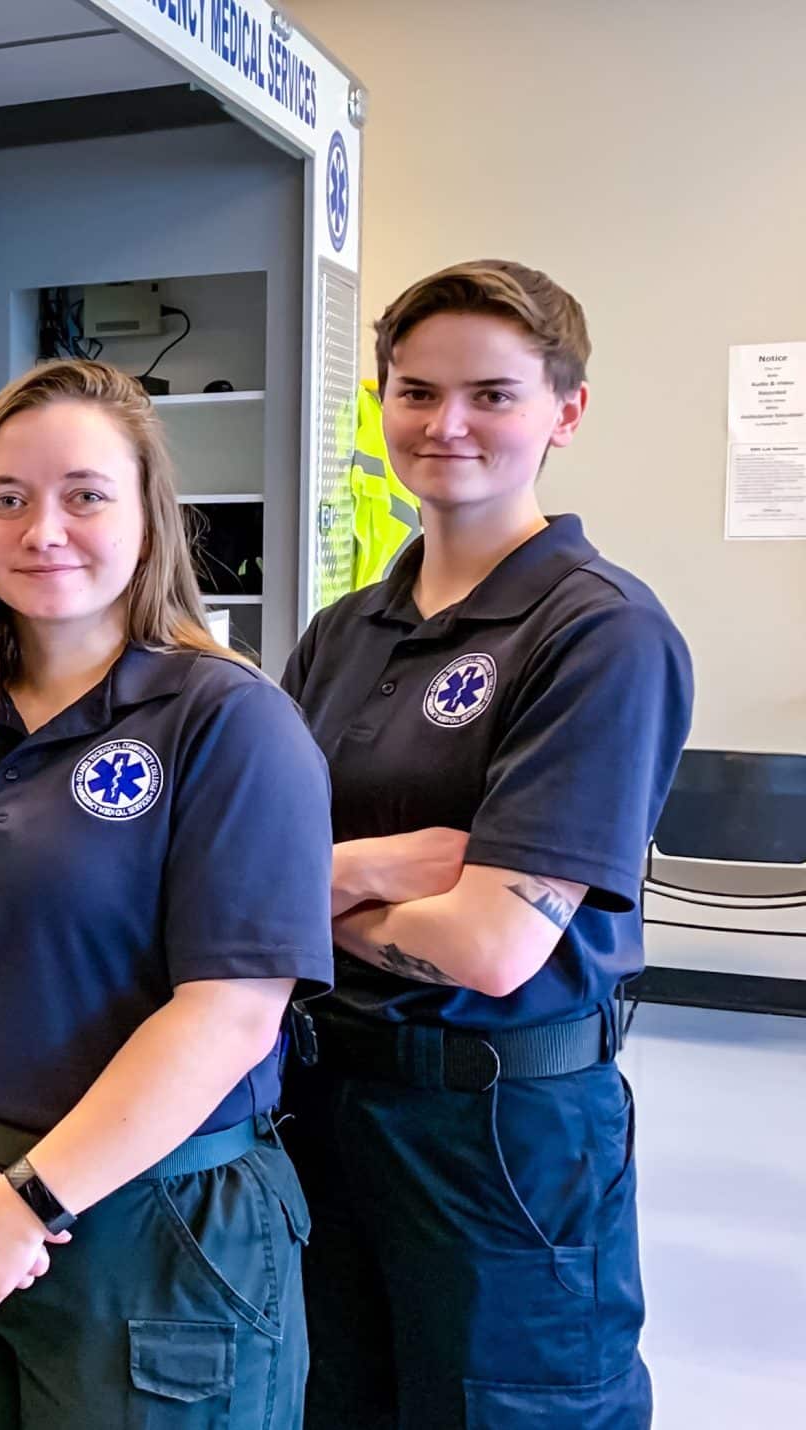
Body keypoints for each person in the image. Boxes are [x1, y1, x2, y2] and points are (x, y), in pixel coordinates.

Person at [0, 358, 334, 1427]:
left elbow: (230, 1010)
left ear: (149, 518)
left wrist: (27, 1198)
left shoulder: (226, 720)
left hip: (149, 1219)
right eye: (6, 498)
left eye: (85, 494)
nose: (42, 527)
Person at [279, 260, 692, 1428]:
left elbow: (494, 944)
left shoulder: (600, 633)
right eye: (414, 391)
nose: (444, 424)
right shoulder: (343, 631)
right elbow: (247, 868)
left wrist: (298, 891)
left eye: (491, 394)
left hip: (501, 1137)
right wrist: (361, 867)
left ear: (566, 409)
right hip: (321, 1104)